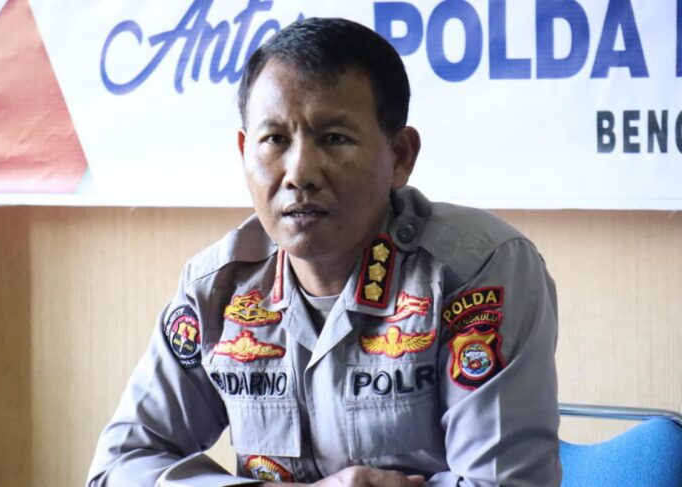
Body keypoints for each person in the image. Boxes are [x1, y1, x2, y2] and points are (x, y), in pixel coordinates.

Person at [87, 17, 561, 487]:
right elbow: (116, 470)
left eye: (334, 138)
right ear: (244, 151)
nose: (300, 173)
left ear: (400, 155)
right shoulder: (216, 290)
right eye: (275, 140)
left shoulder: (476, 270)